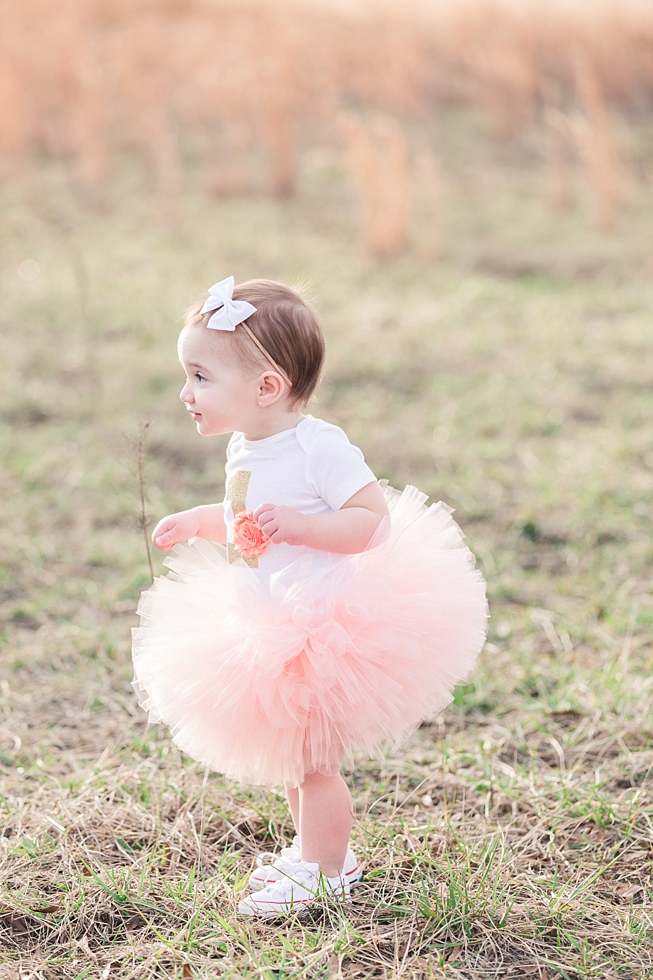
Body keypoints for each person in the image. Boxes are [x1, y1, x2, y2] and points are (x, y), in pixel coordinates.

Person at [132, 276, 488, 917]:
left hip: (326, 626)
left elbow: (371, 521)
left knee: (313, 763)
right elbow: (246, 523)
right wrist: (197, 520)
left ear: (267, 387)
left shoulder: (316, 446)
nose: (185, 394)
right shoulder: (248, 444)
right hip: (267, 621)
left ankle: (327, 870)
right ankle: (314, 851)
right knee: (295, 761)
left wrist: (304, 528)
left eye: (200, 377)